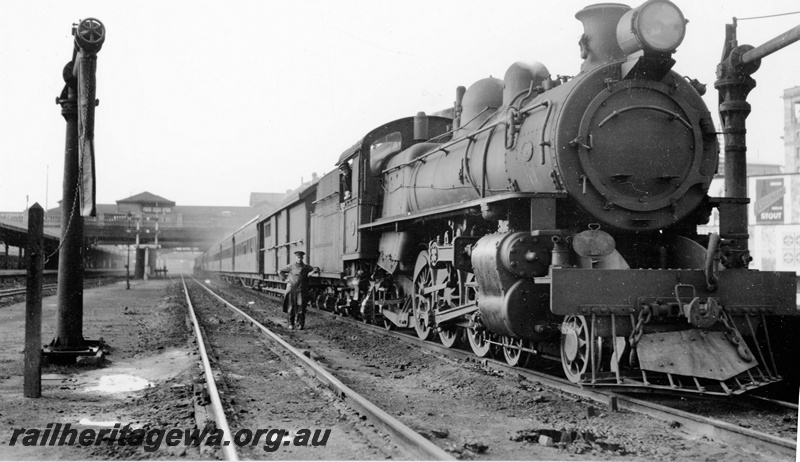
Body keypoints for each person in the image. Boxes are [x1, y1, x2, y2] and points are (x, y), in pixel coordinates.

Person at [279, 251, 320, 330]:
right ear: (296, 258)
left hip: (301, 290)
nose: (300, 259)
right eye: (298, 257)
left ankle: (300, 324)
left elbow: (315, 268)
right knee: (291, 307)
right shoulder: (291, 266)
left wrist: (314, 271)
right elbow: (280, 270)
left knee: (301, 307)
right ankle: (291, 324)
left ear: (302, 258)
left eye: (301, 258)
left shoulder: (306, 267)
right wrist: (285, 279)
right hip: (292, 289)